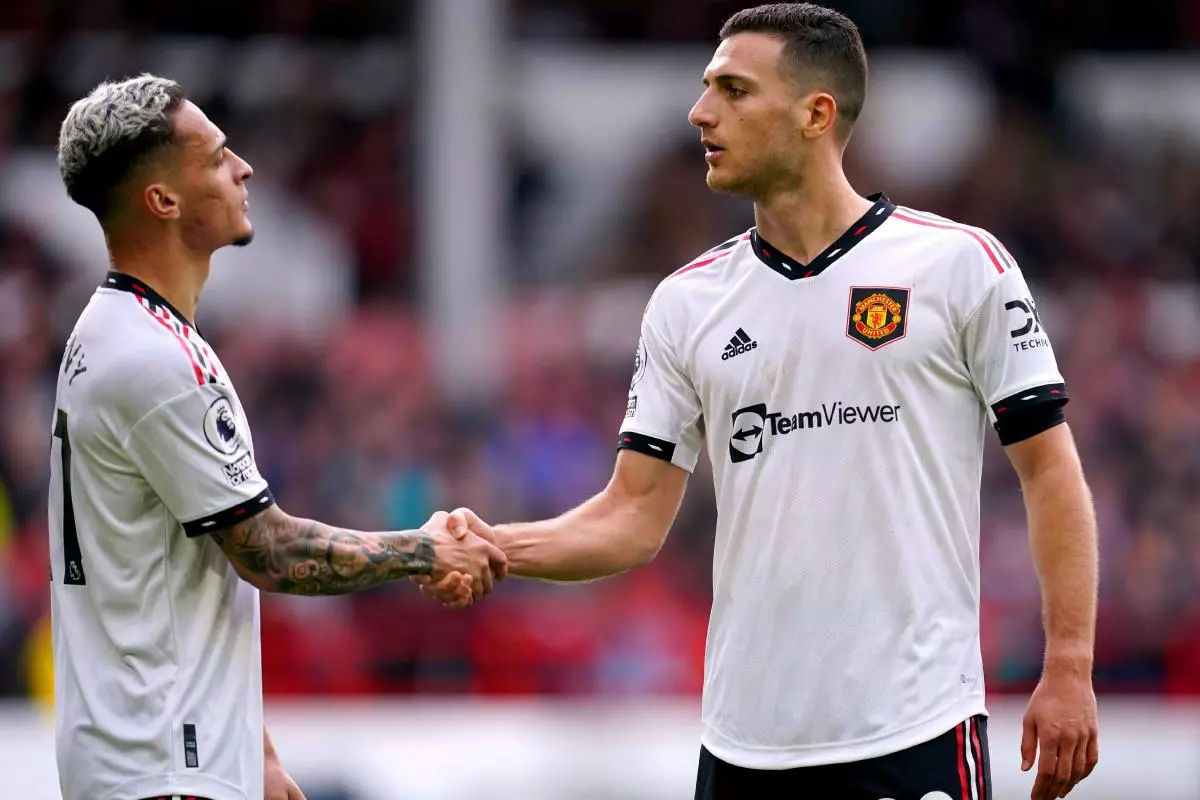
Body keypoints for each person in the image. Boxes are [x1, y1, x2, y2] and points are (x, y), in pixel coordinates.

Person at [419, 4, 1100, 800]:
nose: (700, 112)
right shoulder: (686, 303)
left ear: (815, 114)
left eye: (734, 91)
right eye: (708, 89)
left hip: (913, 730)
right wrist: (496, 545)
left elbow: (1050, 470)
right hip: (745, 749)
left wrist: (1069, 666)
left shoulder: (958, 267)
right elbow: (631, 517)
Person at [48, 74, 506, 800]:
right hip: (163, 769)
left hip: (161, 755)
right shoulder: (153, 358)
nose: (243, 168)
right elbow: (270, 550)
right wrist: (425, 549)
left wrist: (250, 745)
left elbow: (197, 559)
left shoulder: (126, 333)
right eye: (216, 157)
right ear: (162, 201)